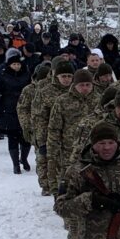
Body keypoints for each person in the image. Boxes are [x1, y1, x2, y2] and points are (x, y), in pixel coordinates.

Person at [46, 68, 100, 196]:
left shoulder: (99, 101)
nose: (85, 88)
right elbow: (54, 128)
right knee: (67, 183)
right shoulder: (62, 101)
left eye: (88, 85)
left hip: (94, 151)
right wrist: (53, 150)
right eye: (81, 85)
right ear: (75, 85)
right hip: (69, 151)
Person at [31, 60, 75, 196]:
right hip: (52, 135)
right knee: (52, 165)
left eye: (69, 76)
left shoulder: (76, 91)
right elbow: (39, 118)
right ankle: (51, 188)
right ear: (57, 76)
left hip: (72, 136)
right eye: (63, 76)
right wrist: (42, 141)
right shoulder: (45, 92)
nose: (66, 79)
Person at [0, 52, 32, 174]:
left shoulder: (27, 75)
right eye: (14, 64)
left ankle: (24, 158)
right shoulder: (3, 76)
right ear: (9, 65)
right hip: (8, 109)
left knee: (26, 137)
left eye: (18, 64)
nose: (16, 66)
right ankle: (15, 164)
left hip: (25, 109)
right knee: (12, 137)